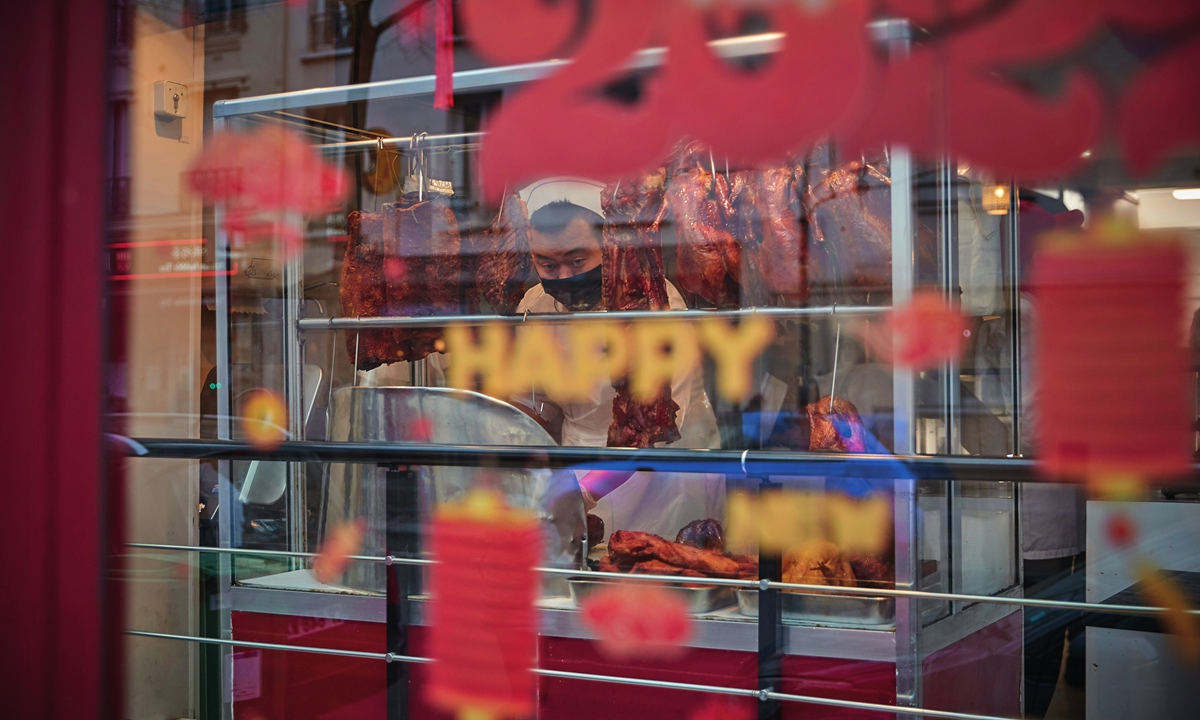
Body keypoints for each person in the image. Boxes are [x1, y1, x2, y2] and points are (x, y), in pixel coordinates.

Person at [512, 199, 723, 539]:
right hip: (575, 467)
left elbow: (649, 429)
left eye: (577, 261)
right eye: (547, 265)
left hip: (657, 478)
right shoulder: (535, 306)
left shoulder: (654, 305)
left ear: (606, 250)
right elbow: (532, 403)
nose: (564, 276)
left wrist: (583, 494)